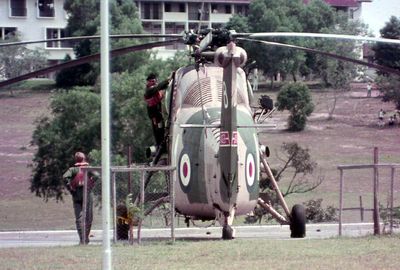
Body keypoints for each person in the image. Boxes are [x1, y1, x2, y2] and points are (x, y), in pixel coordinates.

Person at [63, 152, 98, 245]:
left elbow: (65, 177)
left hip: (76, 194)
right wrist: (90, 183)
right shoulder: (88, 169)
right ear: (84, 159)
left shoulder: (73, 169)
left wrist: (70, 188)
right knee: (88, 217)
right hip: (87, 193)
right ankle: (85, 237)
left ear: (76, 160)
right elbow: (97, 175)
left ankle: (82, 239)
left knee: (79, 218)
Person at [144, 73, 171, 149]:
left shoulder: (155, 89)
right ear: (148, 82)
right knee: (158, 129)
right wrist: (168, 80)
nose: (154, 83)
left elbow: (161, 87)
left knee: (161, 128)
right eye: (152, 81)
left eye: (155, 81)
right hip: (154, 114)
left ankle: (162, 144)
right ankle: (160, 145)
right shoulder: (149, 90)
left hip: (158, 112)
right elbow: (158, 87)